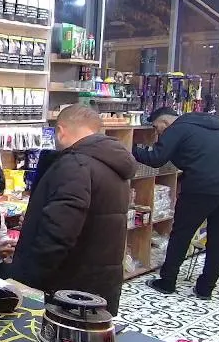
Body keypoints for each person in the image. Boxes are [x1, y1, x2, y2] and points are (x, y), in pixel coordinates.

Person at [12, 105, 136, 314]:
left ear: (60, 131)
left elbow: (59, 230)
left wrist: (29, 278)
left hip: (68, 285)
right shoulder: (111, 163)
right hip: (98, 280)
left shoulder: (76, 165)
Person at [134, 107, 219, 300]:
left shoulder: (178, 128)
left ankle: (167, 282)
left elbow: (156, 158)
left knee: (182, 234)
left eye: (156, 127)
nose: (157, 132)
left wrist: (131, 149)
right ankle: (206, 288)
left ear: (164, 122)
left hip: (200, 188)